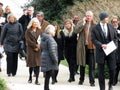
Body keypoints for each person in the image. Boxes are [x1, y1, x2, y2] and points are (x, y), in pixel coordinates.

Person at [92, 12, 117, 90]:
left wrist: (115, 46)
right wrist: (101, 45)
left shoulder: (111, 26)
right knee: (101, 72)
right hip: (100, 52)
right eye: (107, 17)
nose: (108, 19)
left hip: (111, 52)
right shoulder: (95, 28)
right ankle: (102, 88)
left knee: (113, 69)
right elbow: (93, 40)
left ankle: (110, 85)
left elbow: (115, 39)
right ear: (102, 18)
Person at [74, 11, 96, 86]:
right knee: (82, 64)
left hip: (92, 48)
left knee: (92, 65)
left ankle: (92, 81)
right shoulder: (81, 22)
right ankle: (81, 79)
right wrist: (83, 23)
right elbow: (76, 31)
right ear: (85, 16)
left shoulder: (95, 24)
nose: (88, 17)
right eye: (87, 16)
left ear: (92, 17)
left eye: (90, 16)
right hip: (83, 47)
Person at [41, 24, 58, 90]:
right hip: (49, 58)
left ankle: (46, 87)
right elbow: (52, 51)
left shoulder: (44, 38)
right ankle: (46, 88)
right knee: (48, 73)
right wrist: (55, 60)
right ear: (50, 31)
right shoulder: (50, 39)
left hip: (45, 55)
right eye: (53, 30)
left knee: (47, 74)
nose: (54, 32)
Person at [25, 17, 42, 85]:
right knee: (31, 64)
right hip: (31, 49)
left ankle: (37, 80)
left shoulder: (40, 31)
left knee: (38, 65)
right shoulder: (28, 31)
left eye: (36, 22)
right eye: (34, 22)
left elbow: (42, 39)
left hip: (38, 50)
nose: (35, 24)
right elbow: (28, 40)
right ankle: (30, 77)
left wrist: (39, 46)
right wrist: (35, 46)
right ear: (32, 23)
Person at [111, 16, 120, 86]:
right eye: (113, 22)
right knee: (114, 66)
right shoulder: (109, 29)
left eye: (116, 21)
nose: (115, 23)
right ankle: (114, 80)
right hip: (112, 50)